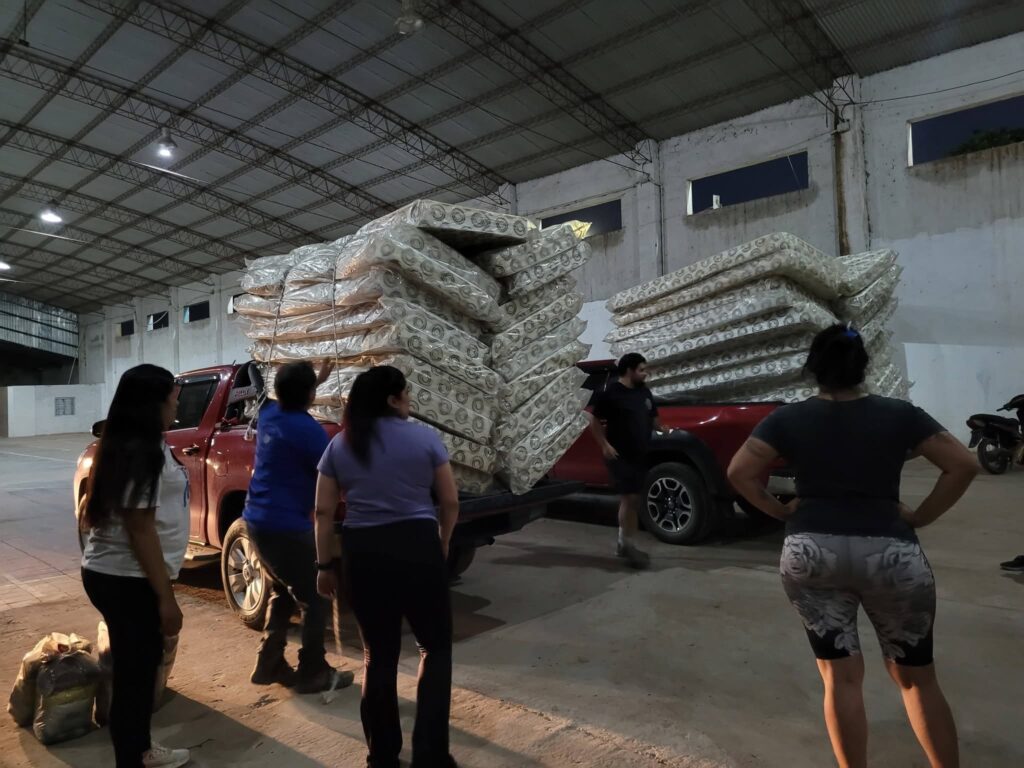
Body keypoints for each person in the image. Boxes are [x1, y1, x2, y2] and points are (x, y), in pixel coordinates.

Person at [727, 324, 978, 768]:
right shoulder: (900, 414)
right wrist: (921, 516)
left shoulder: (787, 418)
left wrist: (783, 513)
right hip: (891, 554)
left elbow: (739, 473)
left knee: (840, 680)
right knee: (916, 680)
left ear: (813, 369)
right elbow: (961, 464)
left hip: (812, 552)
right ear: (863, 367)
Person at [314, 365, 460, 768]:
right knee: (434, 647)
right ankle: (430, 755)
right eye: (406, 394)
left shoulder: (342, 445)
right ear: (393, 399)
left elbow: (323, 511)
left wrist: (325, 565)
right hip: (417, 545)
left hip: (364, 553)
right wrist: (442, 542)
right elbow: (449, 501)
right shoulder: (425, 439)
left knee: (378, 655)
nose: (410, 401)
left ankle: (382, 755)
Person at [80, 364, 191, 768]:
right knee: (137, 678)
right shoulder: (140, 450)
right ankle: (134, 756)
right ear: (153, 403)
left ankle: (138, 750)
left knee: (137, 671)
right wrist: (166, 598)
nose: (175, 407)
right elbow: (140, 529)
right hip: (126, 578)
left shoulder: (132, 442)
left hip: (120, 575)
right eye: (172, 399)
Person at [243, 360, 354, 694]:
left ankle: (269, 661)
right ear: (308, 395)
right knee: (315, 597)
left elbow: (281, 397)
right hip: (286, 527)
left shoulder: (269, 416)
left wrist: (316, 380)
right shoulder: (309, 432)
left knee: (283, 588)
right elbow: (335, 477)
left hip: (257, 521)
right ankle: (313, 670)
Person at [590, 352, 661, 568]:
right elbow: (594, 420)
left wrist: (662, 428)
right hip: (619, 454)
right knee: (629, 498)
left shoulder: (644, 392)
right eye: (641, 369)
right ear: (629, 370)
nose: (645, 373)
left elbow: (653, 417)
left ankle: (623, 542)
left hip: (640, 453)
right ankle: (628, 545)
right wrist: (605, 445)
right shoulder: (611, 392)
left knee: (635, 499)